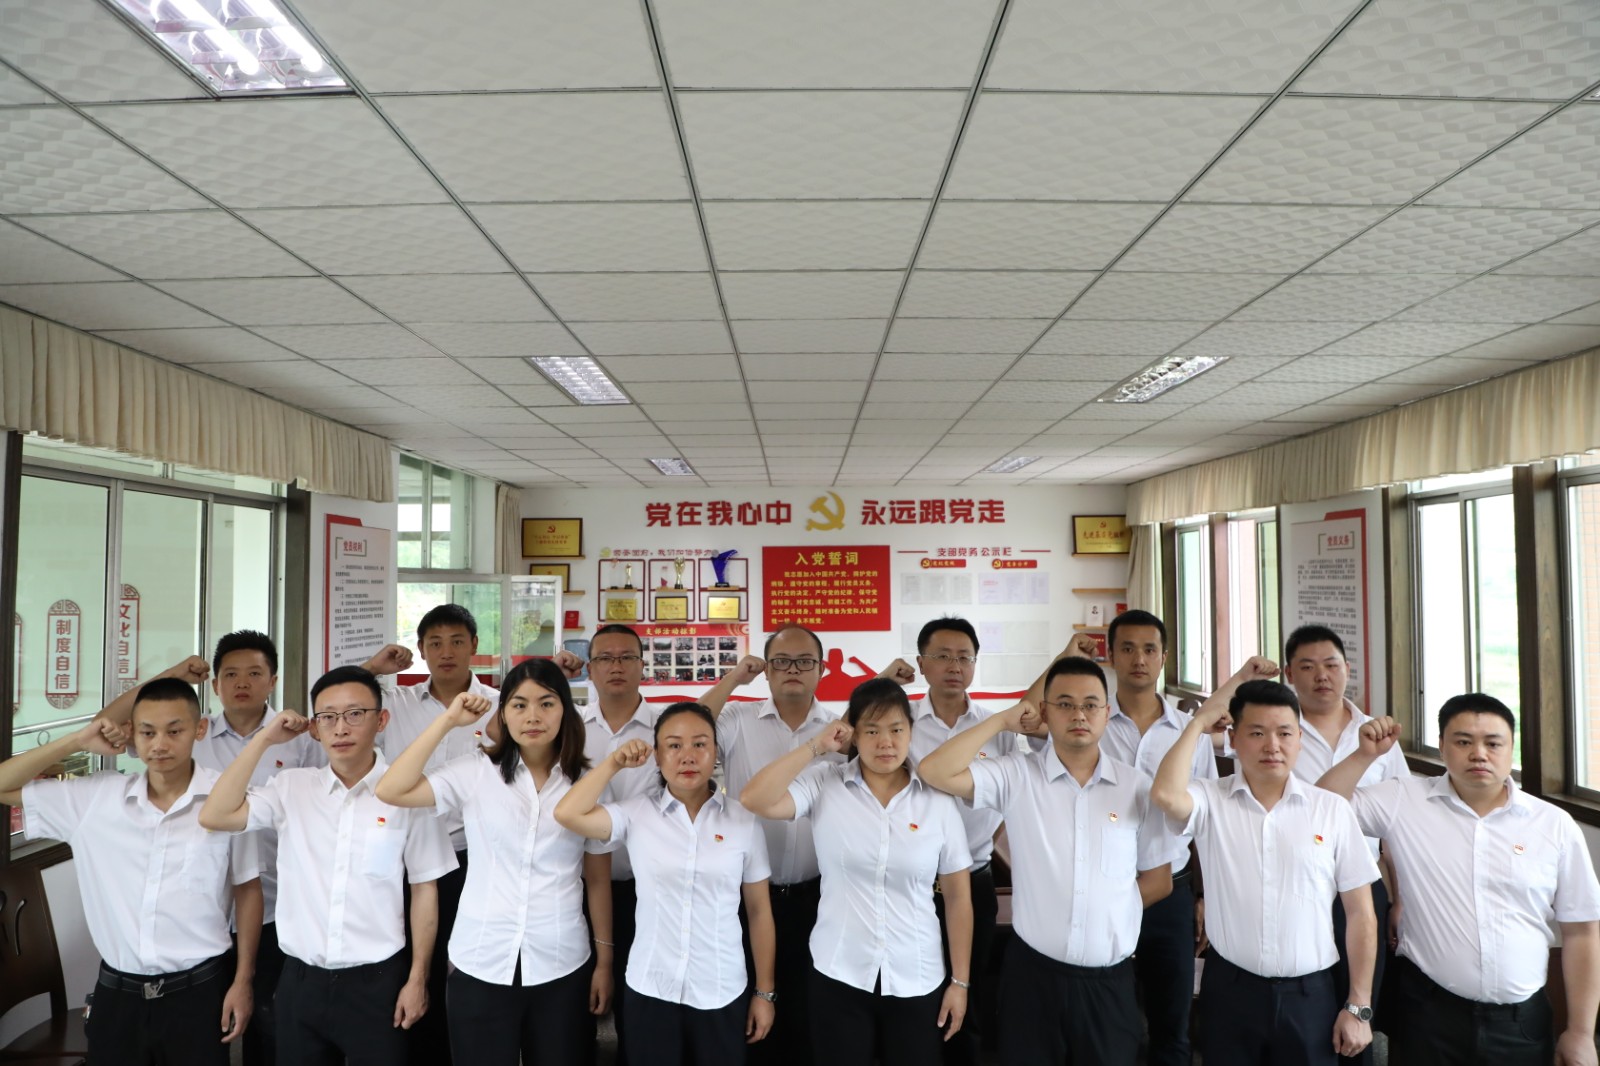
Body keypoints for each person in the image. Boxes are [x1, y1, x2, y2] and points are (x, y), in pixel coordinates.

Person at [1316, 695, 1600, 1066]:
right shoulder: (1405, 799)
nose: (1478, 754)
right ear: (1442, 746)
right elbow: (1319, 810)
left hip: (1520, 1023)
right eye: (1463, 741)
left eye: (1493, 743)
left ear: (1511, 749)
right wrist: (1363, 756)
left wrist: (1581, 1032)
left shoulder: (1553, 824)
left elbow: (1582, 931)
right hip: (1428, 1014)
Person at [919, 657, 1173, 1066]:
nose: (1079, 715)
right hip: (1032, 979)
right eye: (1065, 704)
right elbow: (935, 771)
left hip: (1109, 983)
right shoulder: (1017, 775)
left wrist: (1103, 908)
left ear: (1106, 713)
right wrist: (1002, 721)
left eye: (1090, 705)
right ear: (1044, 711)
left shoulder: (1136, 788)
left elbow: (1159, 879)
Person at [198, 665, 455, 1066]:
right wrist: (264, 739)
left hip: (378, 983)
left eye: (355, 714)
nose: (341, 728)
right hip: (300, 981)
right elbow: (216, 815)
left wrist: (418, 977)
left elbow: (425, 888)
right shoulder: (292, 788)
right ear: (315, 729)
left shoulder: (405, 794)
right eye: (328, 717)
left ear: (381, 720)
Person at [0, 677, 260, 1066]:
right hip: (117, 997)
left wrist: (243, 982)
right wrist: (76, 741)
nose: (160, 744)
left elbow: (248, 890)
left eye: (175, 731)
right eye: (148, 732)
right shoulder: (95, 799)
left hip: (199, 993)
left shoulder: (228, 800)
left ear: (200, 729)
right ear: (132, 735)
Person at [375, 658, 615, 1065]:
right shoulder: (476, 772)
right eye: (519, 705)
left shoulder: (586, 784)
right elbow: (392, 789)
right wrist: (448, 722)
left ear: (566, 711)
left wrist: (604, 962)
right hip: (480, 960)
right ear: (502, 714)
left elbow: (596, 879)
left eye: (547, 703)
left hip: (561, 962)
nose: (533, 716)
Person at [741, 678, 972, 1066]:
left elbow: (958, 897)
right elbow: (755, 798)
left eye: (896, 729)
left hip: (916, 974)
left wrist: (960, 982)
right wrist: (816, 746)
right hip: (839, 972)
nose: (886, 742)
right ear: (852, 734)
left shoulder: (936, 800)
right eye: (872, 730)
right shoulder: (825, 783)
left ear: (911, 732)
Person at [1151, 679, 1378, 1066]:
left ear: (1299, 740)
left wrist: (1358, 1006)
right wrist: (1197, 724)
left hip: (1310, 996)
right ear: (1233, 740)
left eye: (1285, 733)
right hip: (1231, 991)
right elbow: (1165, 795)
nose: (1272, 746)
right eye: (1257, 733)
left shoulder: (1331, 810)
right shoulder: (1211, 799)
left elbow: (1361, 913)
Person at [555, 703, 777, 1066]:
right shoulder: (636, 813)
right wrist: (613, 763)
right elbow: (567, 813)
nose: (687, 756)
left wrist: (764, 993)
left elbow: (758, 910)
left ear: (716, 752)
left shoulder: (743, 821)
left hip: (721, 988)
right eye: (674, 745)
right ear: (656, 756)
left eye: (700, 744)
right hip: (651, 987)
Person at [362, 604, 500, 1065]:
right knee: (405, 962)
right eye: (435, 643)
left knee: (462, 964)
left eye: (457, 641)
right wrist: (372, 668)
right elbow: (340, 700)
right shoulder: (395, 703)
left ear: (474, 646)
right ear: (420, 649)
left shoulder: (500, 706)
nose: (447, 652)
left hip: (471, 858)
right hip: (403, 858)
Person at [700, 626, 842, 1066]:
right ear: (766, 670)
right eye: (781, 661)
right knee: (750, 1013)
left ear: (822, 669)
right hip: (745, 896)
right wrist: (732, 680)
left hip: (817, 895)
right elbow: (690, 724)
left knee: (807, 1012)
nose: (792, 669)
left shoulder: (840, 731)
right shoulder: (739, 720)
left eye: (804, 661)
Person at [874, 616, 1009, 1066]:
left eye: (964, 657)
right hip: (910, 882)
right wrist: (881, 685)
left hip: (973, 878)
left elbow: (1012, 799)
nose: (954, 666)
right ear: (921, 663)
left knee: (969, 988)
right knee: (909, 992)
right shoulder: (900, 723)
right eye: (943, 656)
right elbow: (852, 738)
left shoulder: (996, 728)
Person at [189, 630, 322, 1066]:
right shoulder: (193, 734)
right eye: (231, 674)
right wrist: (173, 675)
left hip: (277, 905)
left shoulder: (300, 738)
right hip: (202, 907)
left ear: (273, 681)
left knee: (270, 1023)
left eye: (254, 673)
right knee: (203, 1029)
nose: (242, 682)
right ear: (215, 684)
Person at [1281, 624, 1406, 1065]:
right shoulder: (1278, 733)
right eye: (1307, 666)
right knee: (1307, 1008)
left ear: (1347, 669)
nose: (1322, 676)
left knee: (1359, 1008)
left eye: (1331, 665)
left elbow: (1397, 828)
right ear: (1288, 674)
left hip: (1364, 886)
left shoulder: (1376, 734)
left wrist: (1400, 899)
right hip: (1297, 885)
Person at [1096, 610, 1215, 1066]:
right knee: (1110, 1023)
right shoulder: (1091, 723)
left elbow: (1207, 820)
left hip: (1171, 892)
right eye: (1127, 648)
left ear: (1164, 657)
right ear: (1111, 656)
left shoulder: (1189, 732)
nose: (1138, 659)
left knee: (1172, 1024)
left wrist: (1204, 895)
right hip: (1105, 886)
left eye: (1149, 649)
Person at [577, 623, 662, 1063]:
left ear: (642, 666)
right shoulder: (569, 727)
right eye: (605, 658)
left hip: (647, 889)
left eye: (626, 657)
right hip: (576, 889)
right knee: (576, 1009)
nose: (616, 666)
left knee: (638, 1010)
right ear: (589, 668)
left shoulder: (665, 728)